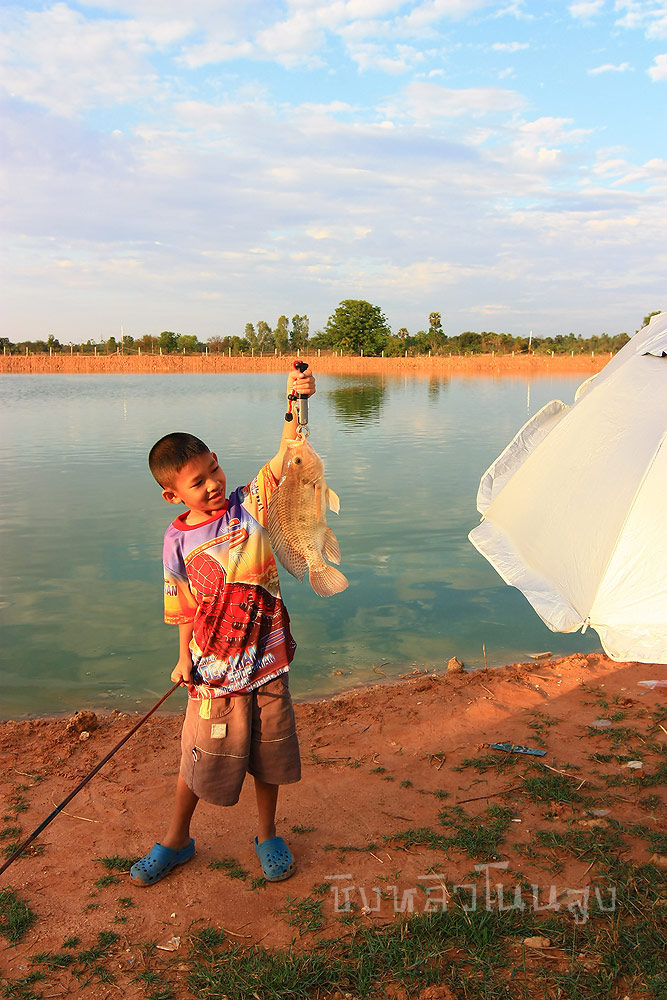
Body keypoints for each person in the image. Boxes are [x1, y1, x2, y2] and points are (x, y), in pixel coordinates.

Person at [130, 365, 316, 887]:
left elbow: (287, 458)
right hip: (212, 669)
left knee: (270, 754)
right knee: (199, 754)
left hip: (267, 661)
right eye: (198, 481)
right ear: (174, 495)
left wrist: (295, 401)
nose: (214, 484)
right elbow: (182, 604)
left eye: (214, 469)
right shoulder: (175, 542)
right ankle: (176, 839)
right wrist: (183, 657)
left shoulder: (248, 508)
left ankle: (267, 833)